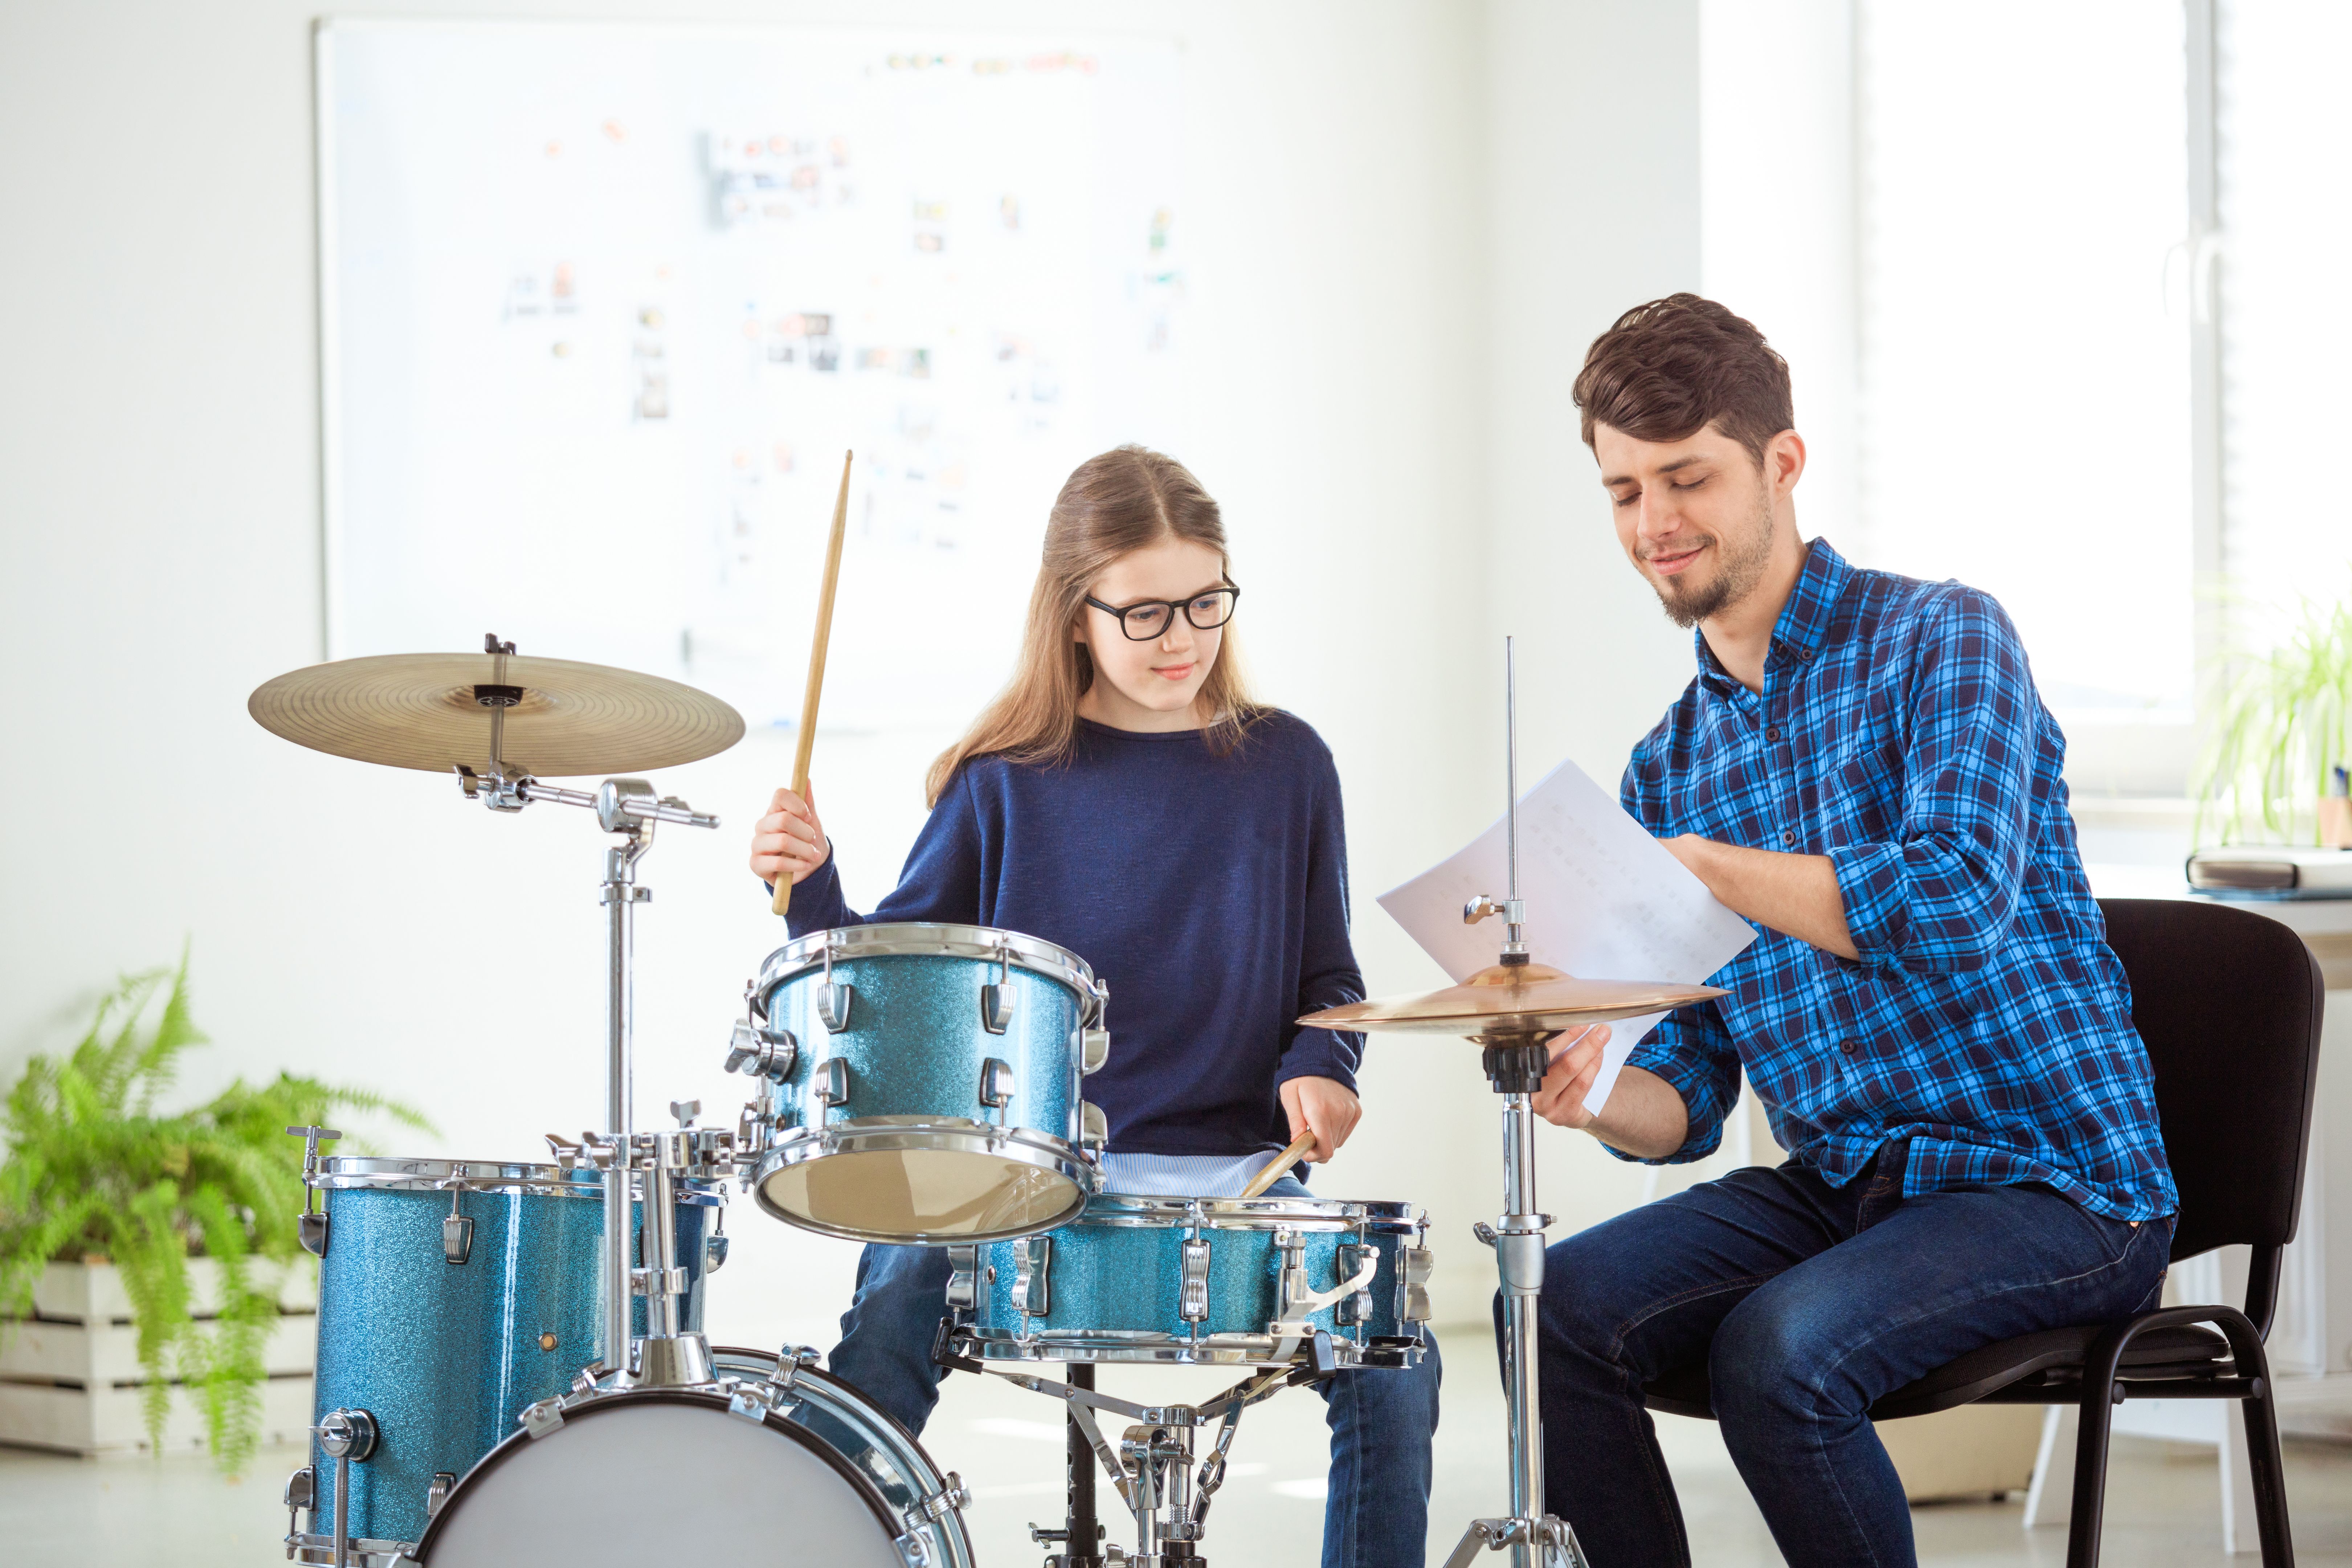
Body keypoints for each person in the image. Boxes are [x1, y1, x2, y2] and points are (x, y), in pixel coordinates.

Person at [1512, 295, 2177, 1568]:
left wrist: (1710, 868)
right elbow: (1689, 1094)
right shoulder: (1666, 769)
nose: (1654, 524)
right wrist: (1590, 1088)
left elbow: (1954, 904)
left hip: (2053, 1184)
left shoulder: (1946, 639)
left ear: (1783, 462)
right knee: (1548, 1313)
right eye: (1624, 491)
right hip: (1846, 1187)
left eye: (1688, 478)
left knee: (1778, 1354)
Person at [748, 444, 1441, 1568]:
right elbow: (892, 984)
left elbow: (1330, 979)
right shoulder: (1002, 780)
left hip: (1234, 1174)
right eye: (1146, 613)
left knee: (1393, 1350)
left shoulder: (1287, 764)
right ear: (1077, 616)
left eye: (1206, 602)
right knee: (894, 1304)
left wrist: (1324, 1064)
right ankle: (820, 1546)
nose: (1182, 639)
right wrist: (812, 886)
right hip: (1022, 1181)